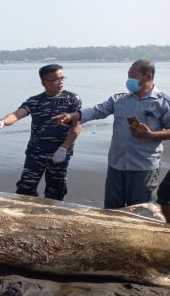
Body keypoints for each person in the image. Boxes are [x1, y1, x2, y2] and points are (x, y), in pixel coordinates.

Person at [53, 59, 170, 209]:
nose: (129, 80)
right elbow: (97, 111)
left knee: (140, 210)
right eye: (128, 75)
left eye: (133, 75)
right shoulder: (119, 99)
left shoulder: (164, 101)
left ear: (148, 76)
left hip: (143, 166)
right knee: (112, 209)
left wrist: (150, 135)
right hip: (116, 164)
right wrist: (72, 116)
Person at [0, 64, 82, 201]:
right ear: (44, 82)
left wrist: (63, 148)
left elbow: (77, 127)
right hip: (36, 153)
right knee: (25, 189)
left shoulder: (72, 99)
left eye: (62, 78)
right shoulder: (35, 101)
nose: (60, 82)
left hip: (60, 154)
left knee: (55, 192)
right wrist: (3, 121)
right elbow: (17, 114)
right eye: (56, 79)